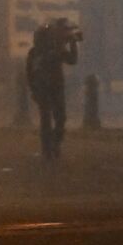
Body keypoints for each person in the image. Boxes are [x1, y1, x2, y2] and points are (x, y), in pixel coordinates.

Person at [26, 18, 80, 160]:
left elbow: (72, 60)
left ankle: (52, 145)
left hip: (54, 87)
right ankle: (48, 148)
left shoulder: (50, 51)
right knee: (49, 118)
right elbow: (30, 74)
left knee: (57, 118)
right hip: (46, 88)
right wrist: (71, 43)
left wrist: (72, 43)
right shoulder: (38, 53)